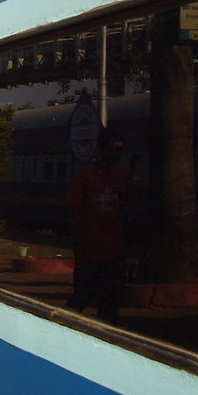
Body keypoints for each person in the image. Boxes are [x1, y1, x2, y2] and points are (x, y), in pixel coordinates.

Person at [65, 126, 130, 324]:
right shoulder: (85, 175)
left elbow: (124, 211)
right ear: (100, 149)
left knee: (111, 304)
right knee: (83, 296)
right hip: (89, 250)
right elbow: (73, 210)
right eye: (111, 148)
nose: (115, 153)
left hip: (115, 252)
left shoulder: (122, 177)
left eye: (119, 149)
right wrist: (77, 243)